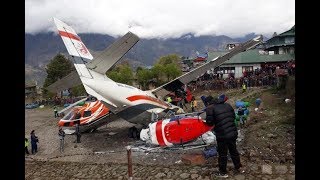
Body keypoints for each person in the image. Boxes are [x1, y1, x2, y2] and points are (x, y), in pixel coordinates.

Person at [204, 95, 244, 178]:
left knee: (222, 154)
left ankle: (223, 172)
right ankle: (239, 167)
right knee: (233, 151)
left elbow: (209, 123)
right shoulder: (227, 105)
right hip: (233, 132)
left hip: (222, 134)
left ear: (208, 103)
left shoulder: (210, 108)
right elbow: (233, 117)